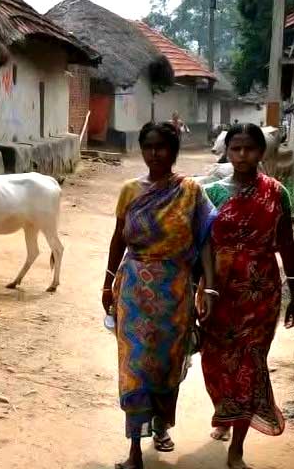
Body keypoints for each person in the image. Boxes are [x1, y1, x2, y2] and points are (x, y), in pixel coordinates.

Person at [103, 122, 217, 469]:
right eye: (148, 147)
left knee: (167, 365)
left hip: (175, 290)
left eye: (161, 147)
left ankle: (161, 424)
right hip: (134, 289)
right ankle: (135, 448)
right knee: (135, 365)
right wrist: (107, 283)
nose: (154, 153)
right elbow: (119, 238)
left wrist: (208, 286)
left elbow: (205, 241)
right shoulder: (130, 190)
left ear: (174, 151)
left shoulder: (191, 191)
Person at [199, 122, 294, 469]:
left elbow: (287, 243)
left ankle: (237, 446)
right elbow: (201, 245)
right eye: (235, 149)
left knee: (250, 364)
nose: (242, 155)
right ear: (227, 151)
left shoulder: (277, 193)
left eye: (249, 149)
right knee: (215, 360)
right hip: (218, 288)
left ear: (261, 152)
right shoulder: (212, 193)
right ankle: (225, 413)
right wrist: (196, 288)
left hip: (260, 291)